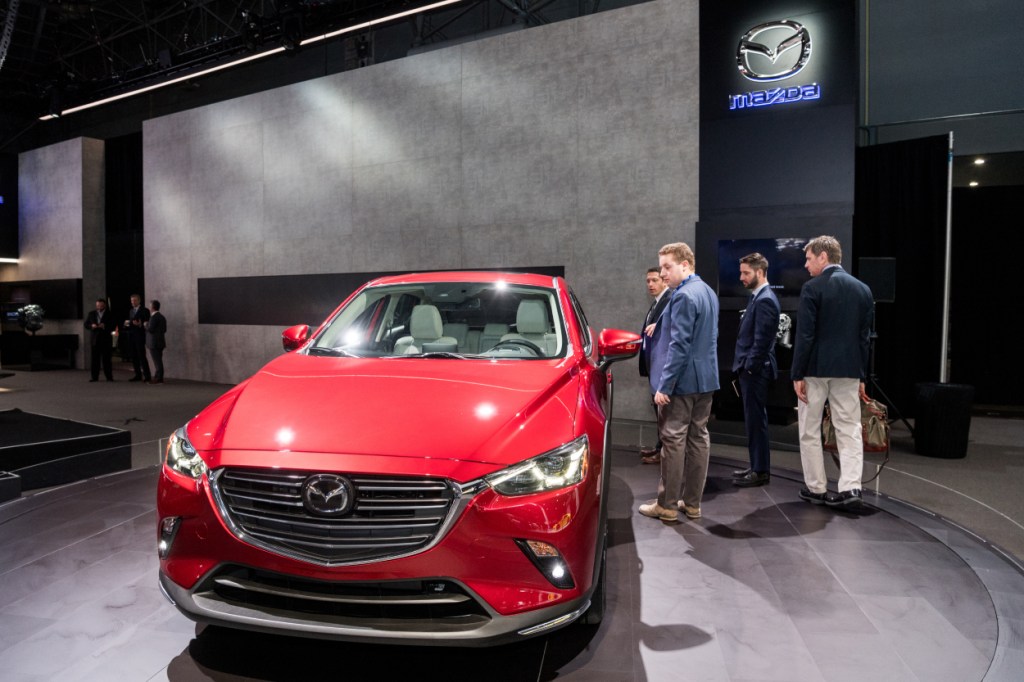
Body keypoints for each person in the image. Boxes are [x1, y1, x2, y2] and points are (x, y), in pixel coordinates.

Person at [791, 235, 874, 508]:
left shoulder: (812, 288)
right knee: (849, 428)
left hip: (815, 370)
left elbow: (804, 336)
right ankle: (851, 489)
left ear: (823, 257)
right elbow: (866, 338)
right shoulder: (863, 289)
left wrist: (796, 374)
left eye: (809, 258)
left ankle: (816, 488)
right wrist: (862, 374)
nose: (806, 264)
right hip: (850, 370)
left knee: (809, 428)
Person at [639, 242, 719, 522]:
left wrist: (665, 385)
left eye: (666, 267)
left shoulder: (683, 296)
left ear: (685, 265)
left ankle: (667, 505)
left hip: (681, 383)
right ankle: (693, 504)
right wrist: (659, 326)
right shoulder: (707, 291)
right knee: (699, 439)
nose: (662, 274)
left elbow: (680, 345)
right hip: (706, 380)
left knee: (673, 441)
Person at [731, 253, 781, 487]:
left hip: (756, 372)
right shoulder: (757, 297)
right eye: (741, 272)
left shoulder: (765, 300)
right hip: (752, 371)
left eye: (746, 273)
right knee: (752, 421)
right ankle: (756, 466)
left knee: (756, 421)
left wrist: (749, 368)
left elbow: (762, 341)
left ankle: (760, 471)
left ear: (759, 272)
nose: (741, 277)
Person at [638, 267, 672, 465]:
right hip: (654, 366)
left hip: (662, 367)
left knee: (664, 414)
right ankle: (660, 448)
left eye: (654, 280)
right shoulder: (657, 303)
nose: (650, 284)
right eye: (648, 281)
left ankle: (664, 452)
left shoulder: (668, 301)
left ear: (664, 281)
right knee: (659, 413)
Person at [84, 298, 114, 382]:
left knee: (107, 359)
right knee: (94, 360)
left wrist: (104, 326)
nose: (99, 307)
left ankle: (109, 377)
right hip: (95, 340)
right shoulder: (91, 313)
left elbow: (113, 325)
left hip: (106, 339)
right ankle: (94, 377)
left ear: (104, 305)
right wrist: (91, 326)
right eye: (97, 305)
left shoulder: (109, 314)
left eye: (101, 305)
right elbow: (86, 324)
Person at [124, 293, 152, 382]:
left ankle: (147, 376)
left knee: (141, 356)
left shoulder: (145, 310)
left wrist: (140, 324)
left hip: (140, 336)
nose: (132, 302)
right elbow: (131, 322)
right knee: (134, 356)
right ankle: (137, 375)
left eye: (134, 300)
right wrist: (127, 324)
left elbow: (147, 322)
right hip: (131, 336)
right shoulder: (131, 311)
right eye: (131, 300)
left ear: (139, 301)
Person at [146, 299, 167, 384]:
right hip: (160, 342)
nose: (149, 307)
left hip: (154, 343)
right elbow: (164, 329)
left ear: (152, 307)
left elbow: (150, 329)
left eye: (150, 305)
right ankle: (158, 377)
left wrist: (145, 325)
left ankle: (158, 378)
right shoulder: (162, 317)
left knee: (157, 362)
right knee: (158, 360)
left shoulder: (154, 317)